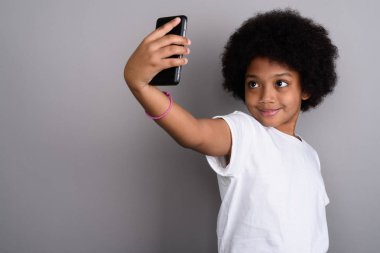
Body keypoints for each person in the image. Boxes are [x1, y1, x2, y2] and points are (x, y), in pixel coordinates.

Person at [124, 8, 338, 253]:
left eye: (281, 83)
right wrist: (140, 86)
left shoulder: (310, 155)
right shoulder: (244, 132)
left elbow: (312, 229)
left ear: (306, 88)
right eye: (253, 83)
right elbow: (193, 132)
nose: (266, 96)